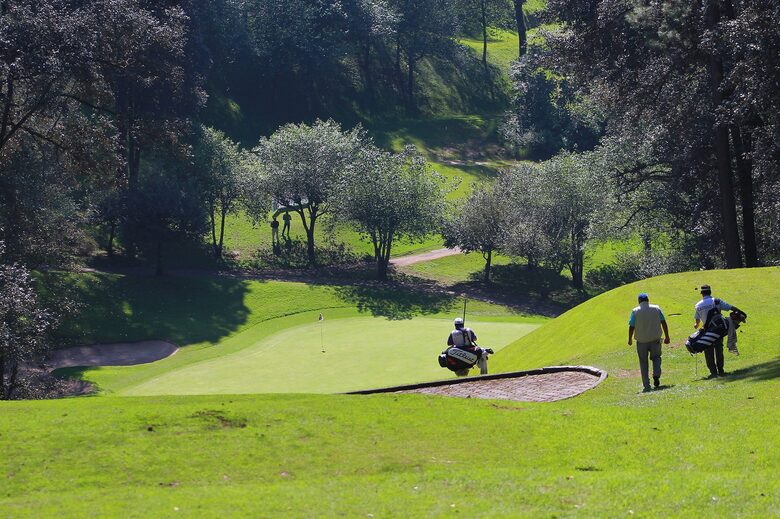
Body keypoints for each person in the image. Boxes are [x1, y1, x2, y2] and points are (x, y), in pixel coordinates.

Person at [694, 284, 745, 378]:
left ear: (701, 293)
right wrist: (741, 312)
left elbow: (697, 322)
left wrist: (696, 325)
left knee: (708, 351)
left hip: (707, 331)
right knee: (718, 349)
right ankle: (720, 369)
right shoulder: (716, 301)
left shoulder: (698, 305)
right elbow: (730, 307)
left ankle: (713, 372)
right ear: (710, 292)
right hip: (718, 330)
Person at [628, 292, 671, 392]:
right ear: (648, 300)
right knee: (656, 357)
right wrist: (667, 336)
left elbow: (631, 326)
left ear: (639, 301)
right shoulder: (656, 308)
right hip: (655, 339)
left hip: (641, 341)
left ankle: (646, 385)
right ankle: (656, 374)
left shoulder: (635, 311)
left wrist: (629, 339)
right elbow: (663, 322)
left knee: (643, 362)